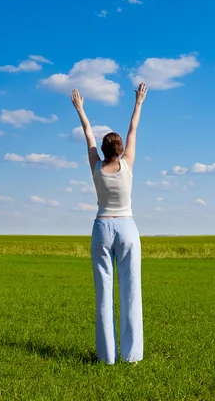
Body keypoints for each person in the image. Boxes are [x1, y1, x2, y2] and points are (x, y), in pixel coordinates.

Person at [70, 82, 148, 365]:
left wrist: (80, 109)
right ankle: (132, 356)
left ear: (103, 150)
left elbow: (88, 135)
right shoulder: (127, 163)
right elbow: (133, 128)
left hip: (102, 227)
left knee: (104, 295)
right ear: (121, 149)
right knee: (131, 293)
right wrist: (138, 102)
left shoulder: (95, 166)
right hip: (127, 227)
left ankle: (107, 358)